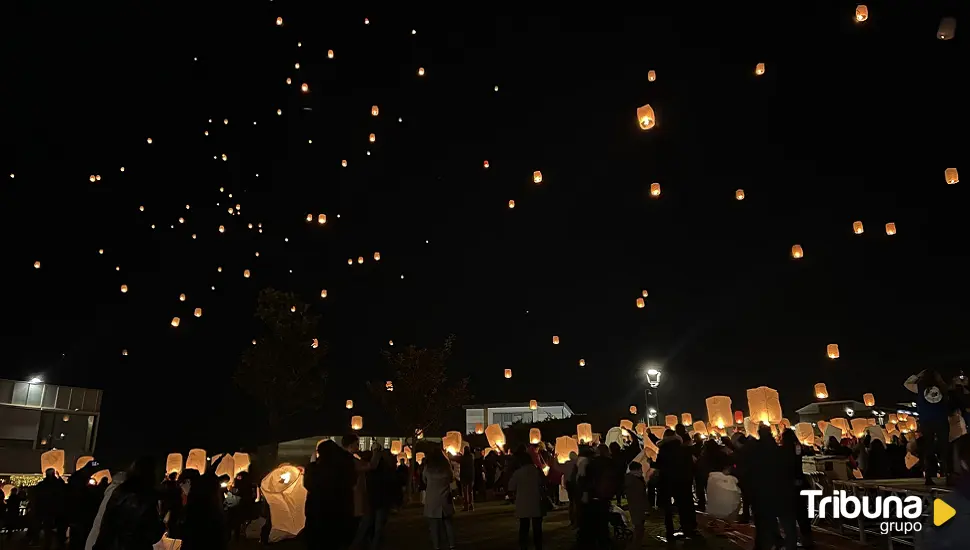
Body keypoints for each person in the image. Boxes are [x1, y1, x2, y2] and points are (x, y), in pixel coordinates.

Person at [93, 457, 165, 550]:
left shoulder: (119, 492)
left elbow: (106, 524)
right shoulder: (146, 498)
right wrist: (162, 525)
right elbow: (151, 534)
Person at [743, 425, 796, 550]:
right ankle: (788, 543)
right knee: (784, 519)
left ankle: (767, 543)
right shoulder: (778, 450)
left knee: (764, 521)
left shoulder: (754, 451)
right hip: (779, 489)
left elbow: (749, 471)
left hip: (761, 491)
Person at [304, 438, 356, 549]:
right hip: (339, 514)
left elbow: (309, 484)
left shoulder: (317, 468)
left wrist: (312, 465)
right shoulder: (345, 466)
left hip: (319, 513)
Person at [655, 428, 697, 540]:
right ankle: (688, 527)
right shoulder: (684, 450)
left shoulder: (663, 450)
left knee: (667, 508)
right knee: (685, 504)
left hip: (667, 481)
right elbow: (691, 465)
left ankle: (670, 530)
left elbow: (658, 465)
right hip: (683, 480)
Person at [780, 429, 814, 549]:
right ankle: (807, 538)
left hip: (788, 485)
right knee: (802, 512)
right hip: (799, 483)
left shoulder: (783, 450)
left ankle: (792, 539)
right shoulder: (798, 448)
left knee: (790, 513)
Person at [508, 451, 545, 550]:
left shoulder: (518, 473)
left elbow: (511, 486)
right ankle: (538, 546)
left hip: (523, 502)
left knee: (524, 527)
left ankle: (524, 546)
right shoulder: (537, 471)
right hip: (536, 501)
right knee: (537, 528)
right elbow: (543, 484)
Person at [422, 452, 457, 550]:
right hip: (445, 498)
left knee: (434, 526)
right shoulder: (447, 469)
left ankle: (436, 546)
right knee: (448, 524)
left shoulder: (428, 469)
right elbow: (452, 480)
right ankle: (452, 545)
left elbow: (424, 480)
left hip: (432, 499)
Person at [35, 467, 67, 550]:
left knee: (48, 529)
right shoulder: (58, 484)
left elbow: (37, 498)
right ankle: (59, 544)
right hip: (58, 510)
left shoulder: (42, 485)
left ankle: (48, 544)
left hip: (47, 510)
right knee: (59, 529)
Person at [624, 461, 648, 548]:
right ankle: (636, 544)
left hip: (638, 505)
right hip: (637, 506)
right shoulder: (633, 481)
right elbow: (639, 494)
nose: (641, 471)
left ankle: (638, 543)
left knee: (640, 525)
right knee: (639, 526)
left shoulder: (633, 479)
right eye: (640, 469)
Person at [460, 445, 476, 511]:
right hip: (471, 476)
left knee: (465, 492)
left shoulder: (463, 458)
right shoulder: (471, 457)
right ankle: (471, 505)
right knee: (470, 491)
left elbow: (455, 458)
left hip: (464, 476)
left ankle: (466, 505)